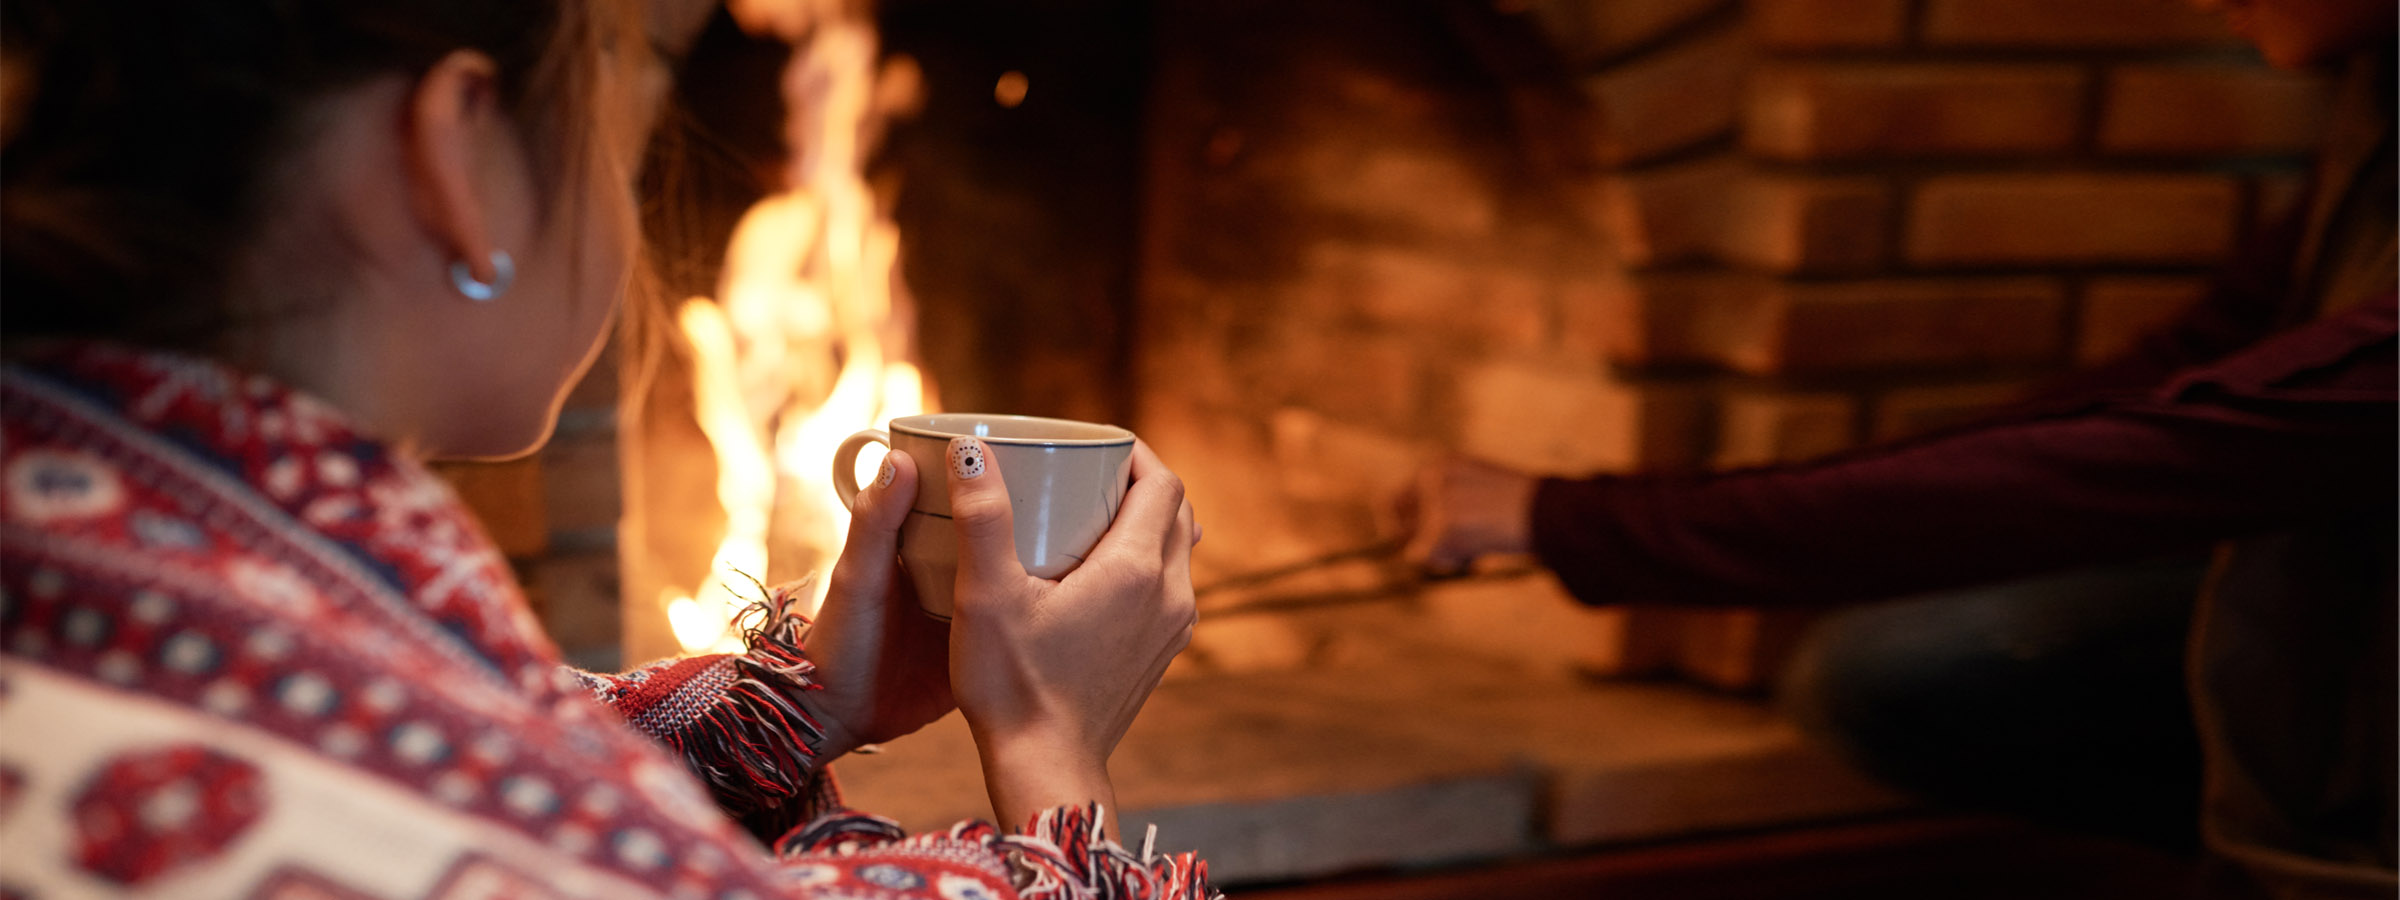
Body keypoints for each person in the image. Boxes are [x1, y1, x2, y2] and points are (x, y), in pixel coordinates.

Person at [0, 1, 1212, 897]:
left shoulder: (108, 553)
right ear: (456, 153)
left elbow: (495, 739)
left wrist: (791, 707)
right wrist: (1057, 764)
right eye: (611, 131)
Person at [1406, 0, 2395, 896]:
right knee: (1892, 668)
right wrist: (1608, 515)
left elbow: (2156, 458)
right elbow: (2191, 367)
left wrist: (1585, 524)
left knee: (1938, 666)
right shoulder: (2375, 90)